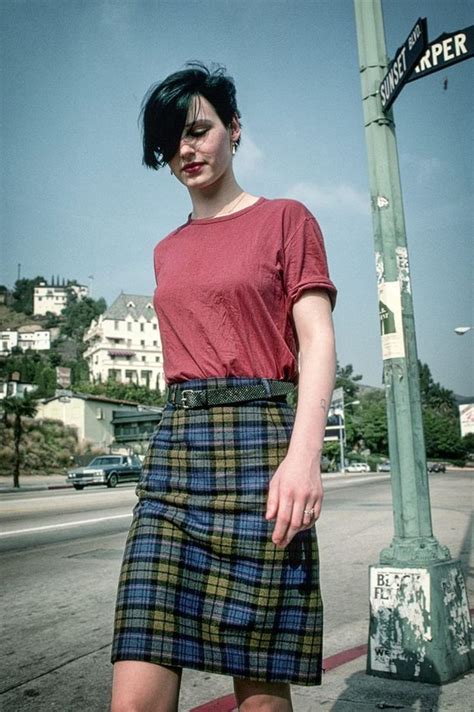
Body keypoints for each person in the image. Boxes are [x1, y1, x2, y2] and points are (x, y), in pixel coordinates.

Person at [110, 62, 337, 712]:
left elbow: (317, 341)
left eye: (200, 129)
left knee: (260, 694)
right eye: (171, 139)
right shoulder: (166, 251)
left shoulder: (287, 220)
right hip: (175, 461)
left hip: (261, 450)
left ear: (234, 130)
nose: (186, 148)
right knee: (133, 695)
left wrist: (303, 458)